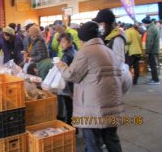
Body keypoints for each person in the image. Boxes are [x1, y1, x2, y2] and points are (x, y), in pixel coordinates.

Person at [57, 21, 130, 152]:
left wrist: (61, 66)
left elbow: (71, 75)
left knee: (93, 144)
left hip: (93, 108)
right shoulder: (109, 51)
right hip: (112, 106)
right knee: (112, 140)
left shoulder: (85, 52)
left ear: (82, 38)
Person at [57, 33, 76, 125]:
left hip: (69, 86)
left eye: (63, 42)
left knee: (70, 108)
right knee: (72, 107)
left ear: (70, 42)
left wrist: (59, 66)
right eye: (60, 42)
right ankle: (74, 127)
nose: (61, 44)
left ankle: (71, 127)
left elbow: (65, 72)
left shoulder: (67, 55)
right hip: (73, 84)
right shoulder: (73, 51)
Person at [142, 16, 160, 85]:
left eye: (143, 23)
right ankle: (154, 78)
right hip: (154, 50)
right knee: (153, 65)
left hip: (152, 51)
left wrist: (147, 51)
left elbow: (150, 41)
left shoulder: (151, 29)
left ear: (146, 23)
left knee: (153, 65)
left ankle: (156, 80)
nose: (143, 25)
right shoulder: (153, 27)